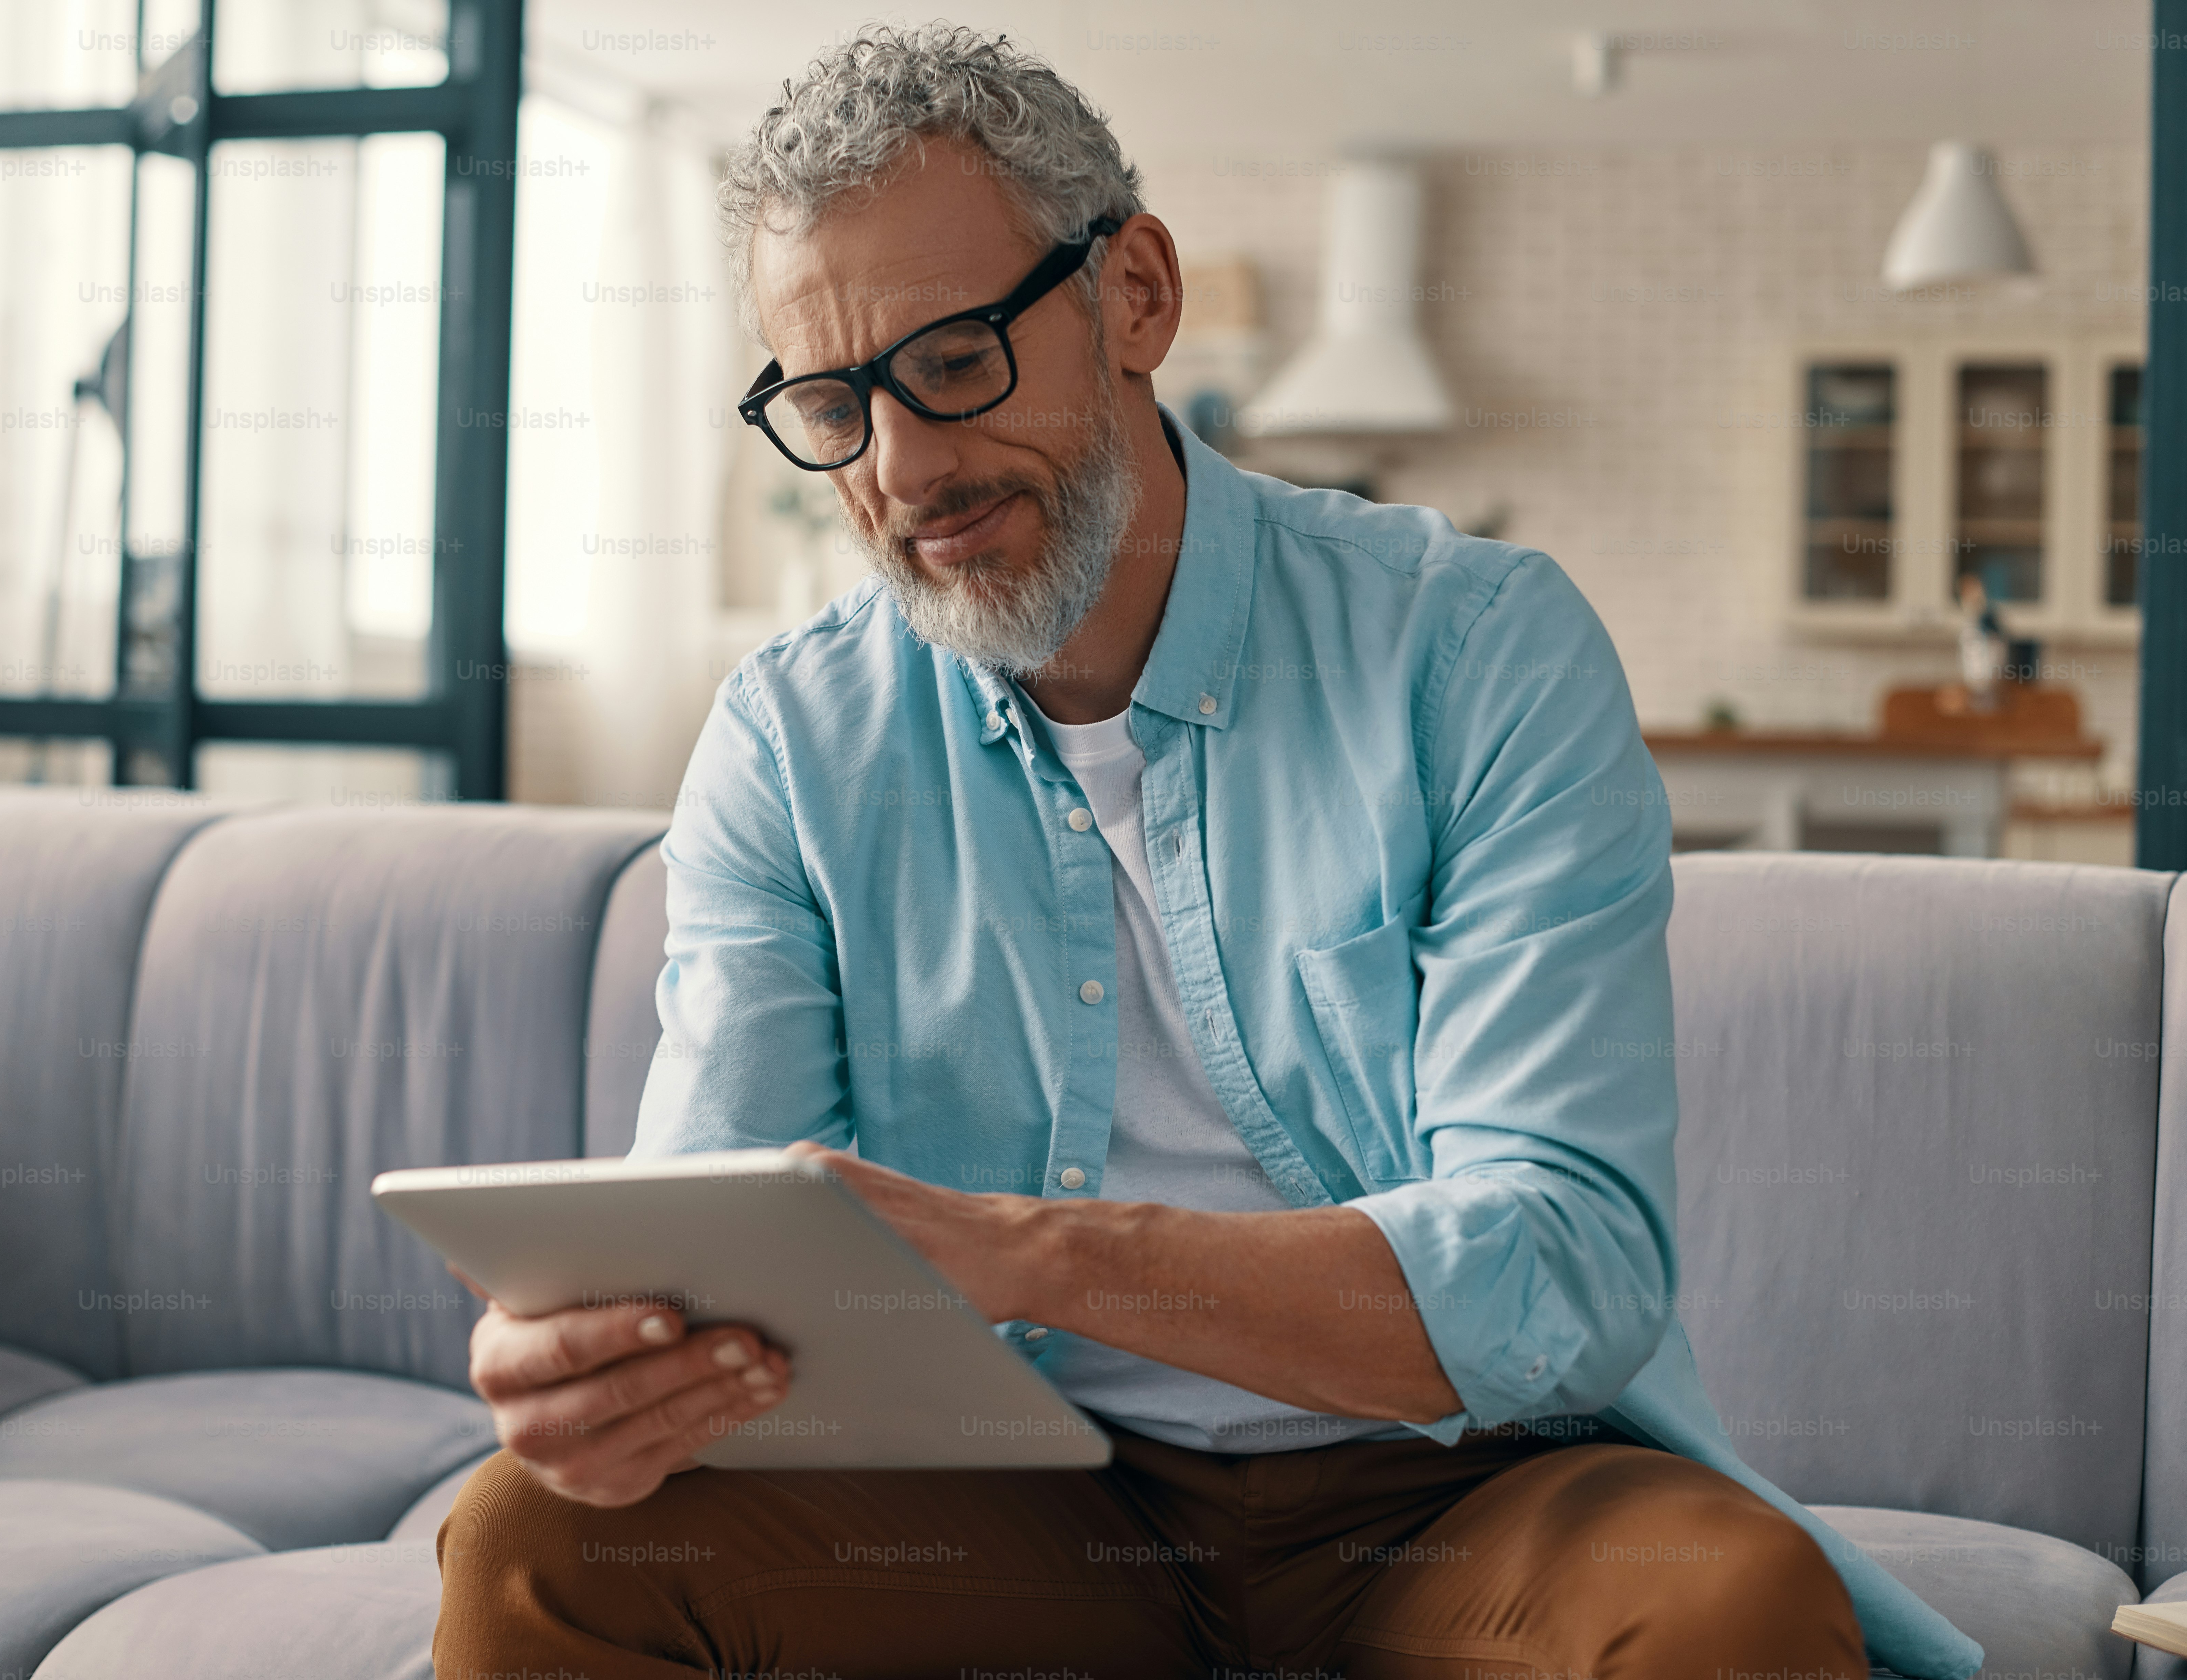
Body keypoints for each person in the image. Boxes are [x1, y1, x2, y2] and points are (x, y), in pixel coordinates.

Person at [433, 25, 1982, 1680]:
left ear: (1137, 298)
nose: (902, 470)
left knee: (1721, 1604)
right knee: (543, 1540)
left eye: (953, 362)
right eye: (831, 403)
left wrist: (1032, 1252)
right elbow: (722, 1245)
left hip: (1452, 1495)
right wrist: (611, 1365)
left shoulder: (1474, 652)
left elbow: (1567, 1265)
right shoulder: (790, 739)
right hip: (1018, 1507)